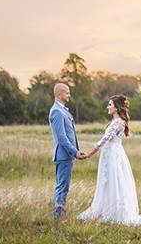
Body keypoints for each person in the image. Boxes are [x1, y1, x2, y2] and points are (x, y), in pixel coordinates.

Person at [77, 94, 141, 225]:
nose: (108, 106)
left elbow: (103, 141)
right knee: (107, 183)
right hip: (109, 155)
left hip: (113, 156)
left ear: (116, 108)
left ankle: (116, 213)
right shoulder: (114, 122)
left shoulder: (118, 123)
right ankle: (106, 209)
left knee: (115, 182)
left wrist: (89, 154)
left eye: (110, 104)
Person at [48, 83, 87, 219]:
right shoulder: (56, 112)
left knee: (64, 185)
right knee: (62, 186)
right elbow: (62, 137)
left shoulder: (63, 110)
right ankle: (59, 216)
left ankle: (59, 214)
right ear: (59, 94)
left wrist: (76, 150)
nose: (69, 95)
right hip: (63, 155)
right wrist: (74, 152)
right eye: (67, 92)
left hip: (67, 155)